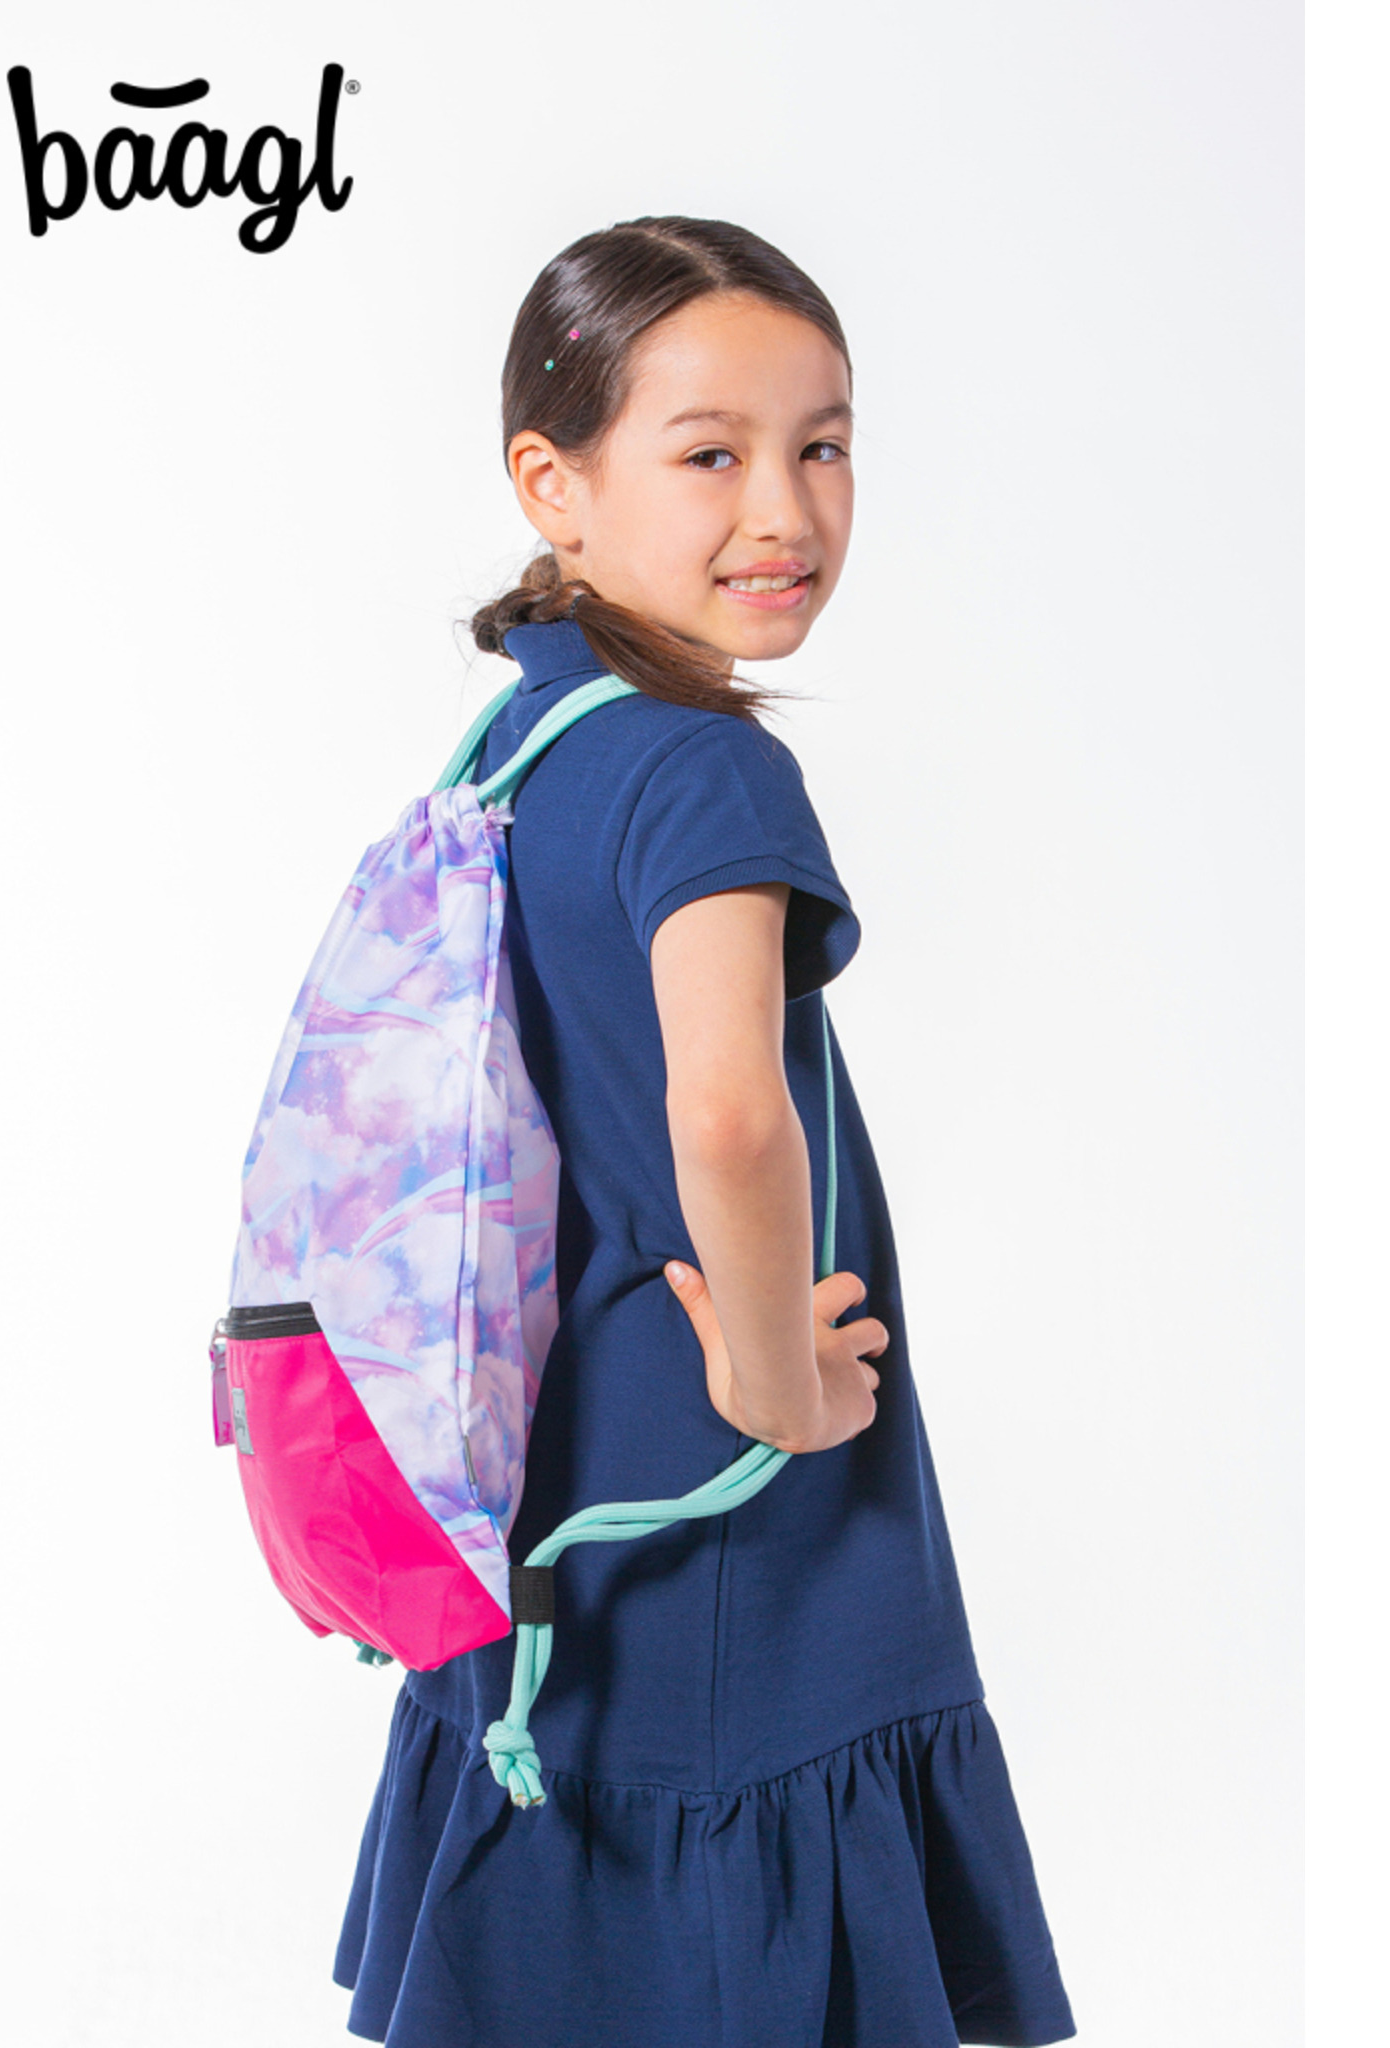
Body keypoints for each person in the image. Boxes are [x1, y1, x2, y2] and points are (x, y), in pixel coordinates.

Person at [332, 215, 1076, 2048]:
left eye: (822, 446)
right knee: (745, 1936)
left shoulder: (527, 743)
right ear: (556, 486)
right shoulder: (707, 768)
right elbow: (730, 1111)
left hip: (555, 1445)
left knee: (586, 1917)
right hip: (716, 1473)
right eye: (710, 455)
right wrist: (774, 1373)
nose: (784, 510)